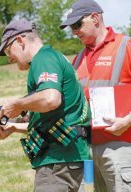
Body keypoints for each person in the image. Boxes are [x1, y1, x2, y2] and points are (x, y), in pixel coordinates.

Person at [0, 19, 91, 192]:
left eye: (7, 50)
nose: (8, 58)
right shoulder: (53, 57)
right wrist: (13, 127)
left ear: (20, 41)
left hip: (57, 166)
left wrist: (17, 104)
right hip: (71, 160)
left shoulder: (43, 58)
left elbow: (51, 99)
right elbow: (53, 121)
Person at [60, 0, 131, 191]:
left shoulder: (126, 46)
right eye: (71, 27)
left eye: (77, 25)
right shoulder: (78, 58)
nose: (74, 32)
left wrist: (127, 121)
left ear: (95, 18)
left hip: (121, 147)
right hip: (87, 149)